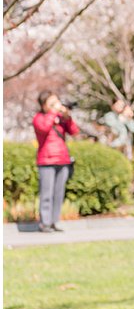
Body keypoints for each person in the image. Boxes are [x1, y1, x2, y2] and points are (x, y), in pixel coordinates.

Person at [32, 93, 79, 232]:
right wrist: (53, 113)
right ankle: (45, 223)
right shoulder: (39, 118)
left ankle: (54, 221)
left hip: (62, 160)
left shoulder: (60, 118)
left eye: (56, 102)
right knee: (47, 193)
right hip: (46, 160)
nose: (55, 106)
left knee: (59, 193)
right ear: (43, 105)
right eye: (51, 103)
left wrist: (67, 117)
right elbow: (44, 128)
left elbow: (74, 131)